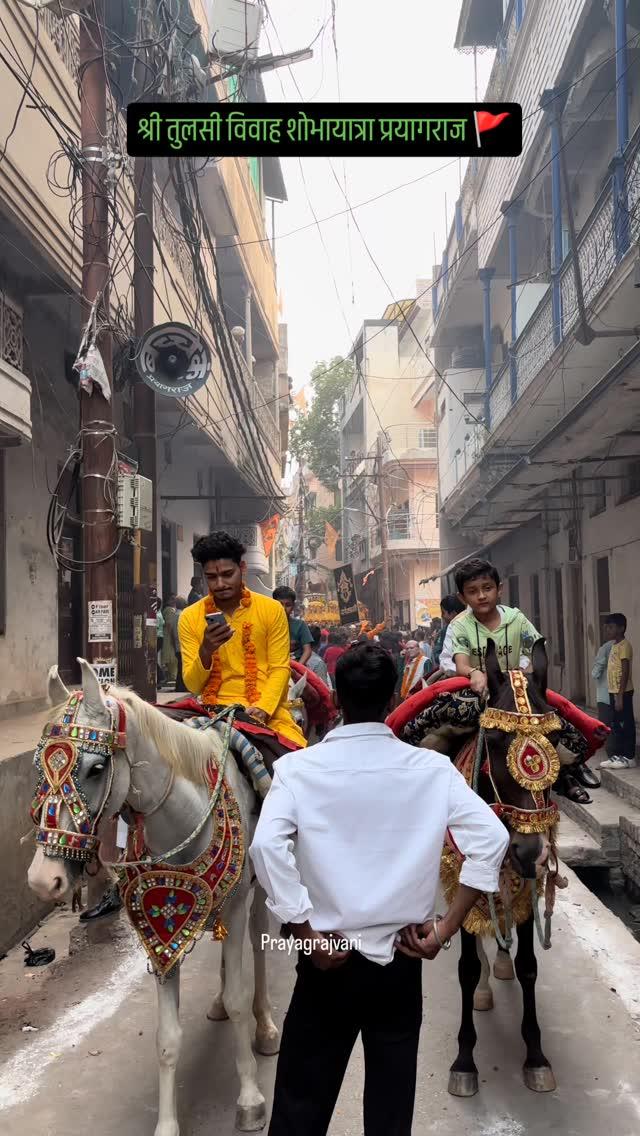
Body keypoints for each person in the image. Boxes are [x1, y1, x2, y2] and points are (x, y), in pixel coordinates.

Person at [250, 642, 509, 1136]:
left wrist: (304, 930)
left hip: (327, 960)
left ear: (339, 701)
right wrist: (445, 929)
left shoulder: (297, 770)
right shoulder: (432, 770)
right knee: (390, 1113)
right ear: (392, 700)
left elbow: (265, 850)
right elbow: (492, 840)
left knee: (301, 1107)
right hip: (402, 959)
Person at [178, 532, 306, 750]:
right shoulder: (190, 617)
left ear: (242, 568)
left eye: (228, 574)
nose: (220, 584)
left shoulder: (271, 610)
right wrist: (206, 651)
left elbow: (279, 668)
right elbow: (192, 684)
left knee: (293, 765)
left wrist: (263, 708)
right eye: (211, 577)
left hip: (266, 712)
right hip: (211, 711)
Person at [448, 560, 540, 694]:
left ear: (499, 589)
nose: (481, 596)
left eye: (487, 588)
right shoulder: (461, 625)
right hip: (477, 690)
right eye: (472, 591)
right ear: (462, 598)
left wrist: (526, 673)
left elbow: (537, 653)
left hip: (515, 690)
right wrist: (474, 673)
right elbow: (461, 665)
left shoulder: (517, 619)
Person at [601, 613, 636, 770]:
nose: (607, 630)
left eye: (611, 627)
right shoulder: (614, 645)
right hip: (614, 692)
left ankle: (629, 757)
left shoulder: (625, 646)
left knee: (625, 724)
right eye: (606, 627)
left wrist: (620, 696)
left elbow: (625, 671)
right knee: (616, 725)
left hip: (623, 692)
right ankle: (618, 755)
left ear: (621, 628)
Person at [272, 585, 313, 666]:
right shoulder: (268, 624)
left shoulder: (300, 625)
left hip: (296, 668)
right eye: (280, 604)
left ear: (293, 606)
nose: (283, 608)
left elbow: (307, 650)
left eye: (288, 605)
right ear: (273, 604)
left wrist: (298, 667)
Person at [592, 632, 615, 759]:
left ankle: (611, 756)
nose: (605, 630)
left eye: (608, 628)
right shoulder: (623, 645)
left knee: (606, 727)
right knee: (616, 725)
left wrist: (595, 671)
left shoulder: (605, 648)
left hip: (604, 694)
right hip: (617, 694)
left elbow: (595, 673)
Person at [433, 595, 466, 671]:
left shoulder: (447, 629)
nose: (442, 616)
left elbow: (437, 654)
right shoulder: (447, 629)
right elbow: (441, 656)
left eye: (443, 612)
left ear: (453, 613)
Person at [161, 595, 179, 687]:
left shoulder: (171, 610)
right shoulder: (169, 610)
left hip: (169, 635)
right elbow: (169, 625)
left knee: (172, 655)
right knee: (171, 655)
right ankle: (172, 676)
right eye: (172, 598)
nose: (174, 600)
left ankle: (172, 675)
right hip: (169, 636)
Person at [174, 597, 187, 692]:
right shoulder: (181, 615)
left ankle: (179, 686)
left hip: (178, 645)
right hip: (182, 644)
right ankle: (181, 686)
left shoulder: (176, 614)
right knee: (183, 666)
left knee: (180, 666)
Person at [156, 599, 165, 686]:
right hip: (160, 638)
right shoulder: (159, 613)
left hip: (157, 638)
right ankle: (160, 677)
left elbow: (156, 628)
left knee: (152, 659)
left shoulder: (157, 615)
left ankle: (160, 676)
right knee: (153, 659)